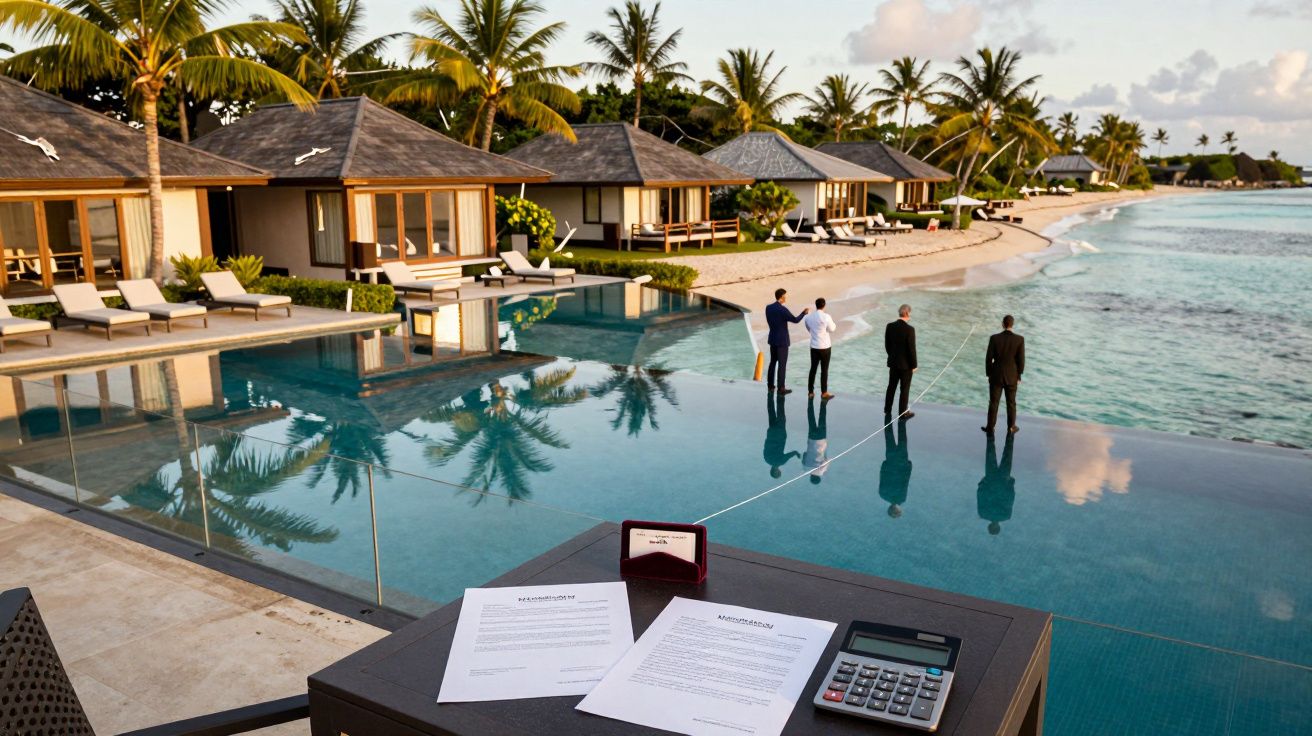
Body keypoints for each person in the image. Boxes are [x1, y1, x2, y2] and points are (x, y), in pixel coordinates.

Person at [983, 314, 1025, 434]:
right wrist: (1019, 375)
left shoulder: (994, 338)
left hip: (996, 375)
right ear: (1012, 325)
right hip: (1012, 377)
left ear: (1003, 324)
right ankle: (1011, 427)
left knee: (993, 402)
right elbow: (1021, 361)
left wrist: (989, 374)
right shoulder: (1019, 339)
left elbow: (988, 358)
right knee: (1011, 403)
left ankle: (990, 427)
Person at [765, 288, 808, 395]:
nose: (786, 298)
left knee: (772, 363)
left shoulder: (768, 308)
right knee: (782, 365)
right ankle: (781, 388)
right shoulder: (783, 310)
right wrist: (803, 313)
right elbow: (795, 320)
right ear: (782, 297)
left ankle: (770, 385)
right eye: (785, 296)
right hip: (782, 341)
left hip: (772, 339)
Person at [977, 432, 1016, 535]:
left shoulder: (1006, 515)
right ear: (989, 526)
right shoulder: (982, 513)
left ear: (998, 527)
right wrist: (983, 482)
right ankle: (990, 432)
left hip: (1004, 481)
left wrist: (1011, 483)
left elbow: (1010, 497)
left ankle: (1010, 432)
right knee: (990, 452)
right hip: (990, 479)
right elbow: (980, 495)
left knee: (1008, 453)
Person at [884, 304, 917, 418]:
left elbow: (887, 345)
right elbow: (911, 349)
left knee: (891, 387)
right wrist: (914, 365)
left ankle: (887, 409)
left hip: (893, 363)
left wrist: (892, 356)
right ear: (907, 313)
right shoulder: (910, 329)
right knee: (904, 389)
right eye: (910, 313)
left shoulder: (890, 326)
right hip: (906, 366)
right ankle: (903, 413)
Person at [803, 297, 837, 399]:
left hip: (814, 346)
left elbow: (808, 328)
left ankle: (810, 392)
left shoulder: (808, 317)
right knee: (824, 370)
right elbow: (832, 329)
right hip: (825, 347)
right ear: (824, 305)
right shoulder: (826, 317)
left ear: (816, 305)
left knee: (813, 369)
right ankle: (824, 392)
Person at [878, 417, 912, 517]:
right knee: (889, 438)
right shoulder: (882, 495)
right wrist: (885, 464)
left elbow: (905, 481)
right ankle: (887, 417)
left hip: (901, 463)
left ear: (897, 510)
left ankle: (902, 421)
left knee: (902, 439)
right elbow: (882, 477)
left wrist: (909, 466)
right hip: (890, 461)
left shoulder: (902, 498)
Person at [763, 392, 799, 478]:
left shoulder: (780, 462)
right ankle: (770, 394)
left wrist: (797, 454)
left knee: (781, 413)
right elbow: (765, 446)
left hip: (780, 434)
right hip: (771, 433)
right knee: (771, 412)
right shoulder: (766, 459)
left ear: (777, 471)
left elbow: (791, 454)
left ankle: (780, 396)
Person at [804, 398, 829, 484]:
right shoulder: (806, 467)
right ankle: (810, 401)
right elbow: (804, 454)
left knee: (822, 418)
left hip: (821, 439)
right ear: (811, 477)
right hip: (811, 438)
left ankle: (823, 402)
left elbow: (827, 460)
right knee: (811, 418)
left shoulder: (822, 470)